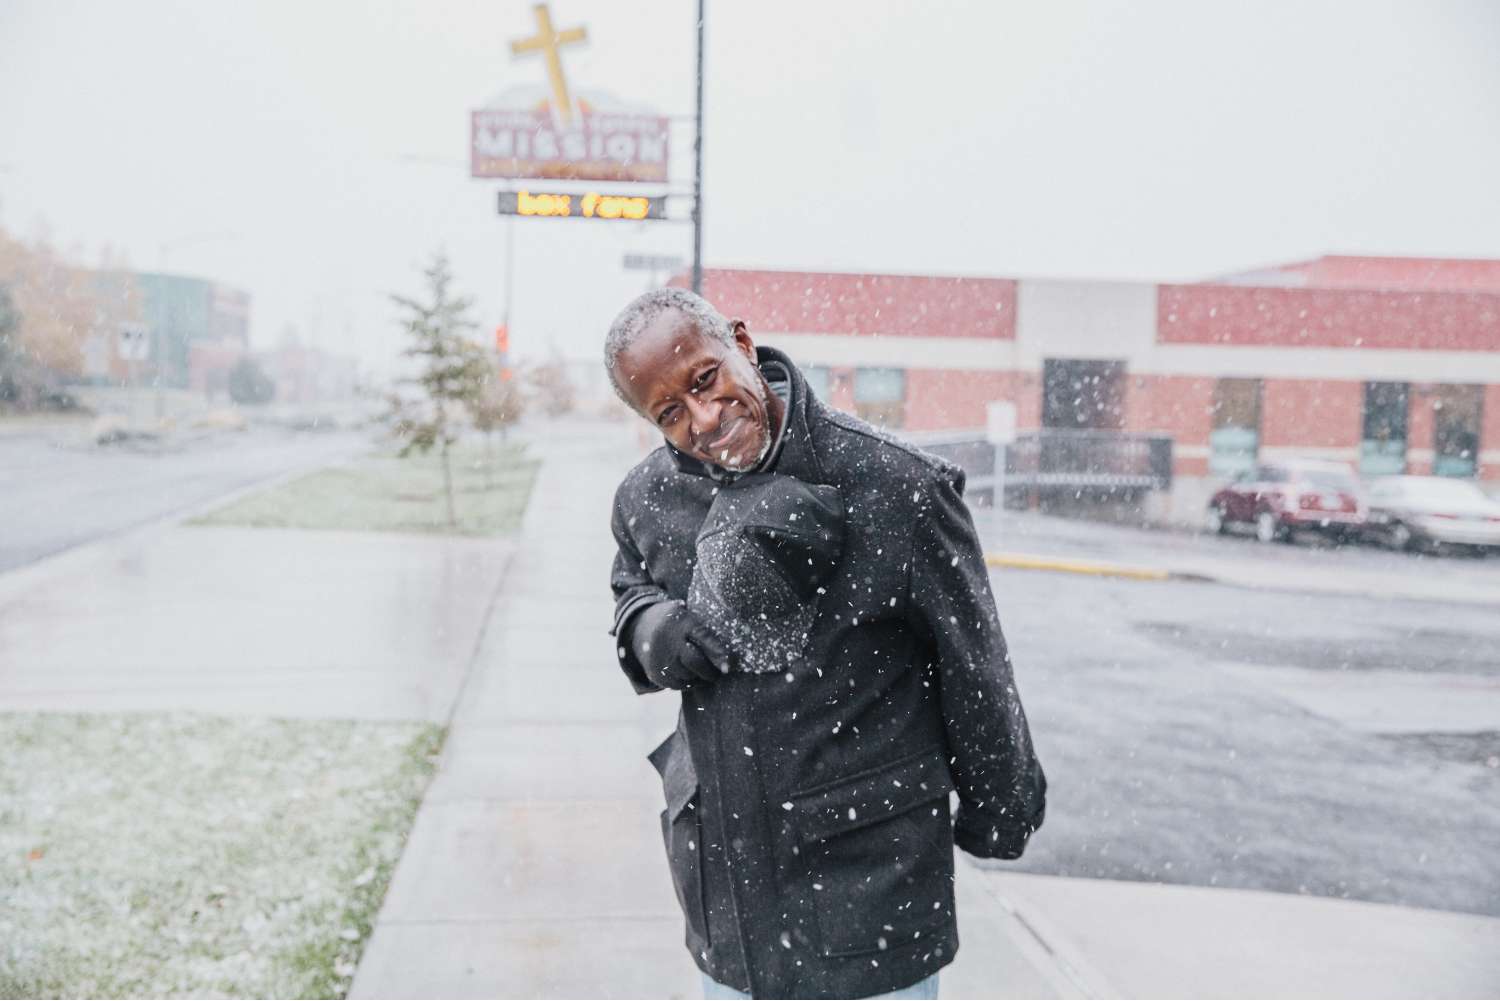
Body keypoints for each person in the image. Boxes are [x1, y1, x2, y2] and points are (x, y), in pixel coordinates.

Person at [605, 288, 1046, 1000]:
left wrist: (1001, 806)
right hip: (727, 902)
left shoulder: (900, 486)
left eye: (705, 379)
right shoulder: (646, 498)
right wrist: (646, 630)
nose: (705, 417)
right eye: (671, 413)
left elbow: (976, 670)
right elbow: (631, 587)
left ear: (741, 343)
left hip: (872, 899)